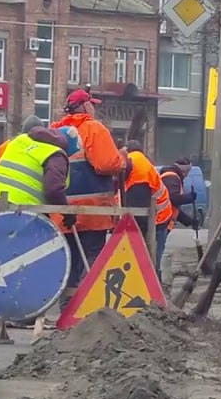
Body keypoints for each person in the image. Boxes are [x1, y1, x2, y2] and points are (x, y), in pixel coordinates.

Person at [52, 88, 129, 307]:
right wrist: (121, 161)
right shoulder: (93, 129)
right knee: (92, 261)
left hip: (63, 212)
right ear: (86, 106)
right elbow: (106, 164)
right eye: (92, 104)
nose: (94, 108)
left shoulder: (56, 130)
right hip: (93, 212)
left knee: (69, 262)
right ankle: (88, 308)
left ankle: (66, 309)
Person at [0, 126, 71, 220]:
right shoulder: (55, 154)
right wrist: (67, 213)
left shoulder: (19, 139)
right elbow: (53, 190)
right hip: (20, 211)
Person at [120, 139, 175, 280]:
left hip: (157, 218)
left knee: (150, 260)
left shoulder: (136, 170)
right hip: (161, 216)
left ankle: (151, 285)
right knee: (153, 257)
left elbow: (139, 211)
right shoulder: (140, 162)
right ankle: (153, 282)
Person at [159, 157, 199, 230]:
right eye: (188, 172)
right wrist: (189, 197)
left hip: (163, 221)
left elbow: (173, 208)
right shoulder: (171, 177)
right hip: (162, 221)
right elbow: (173, 198)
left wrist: (189, 221)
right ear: (185, 171)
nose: (187, 175)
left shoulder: (171, 177)